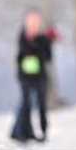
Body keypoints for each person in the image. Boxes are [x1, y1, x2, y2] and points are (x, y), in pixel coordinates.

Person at [10, 10, 58, 143]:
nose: (33, 26)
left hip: (40, 77)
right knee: (26, 104)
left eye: (36, 23)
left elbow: (48, 58)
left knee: (41, 105)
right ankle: (22, 133)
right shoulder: (22, 36)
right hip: (25, 76)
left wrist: (49, 41)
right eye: (31, 23)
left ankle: (43, 132)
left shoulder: (43, 38)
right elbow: (23, 53)